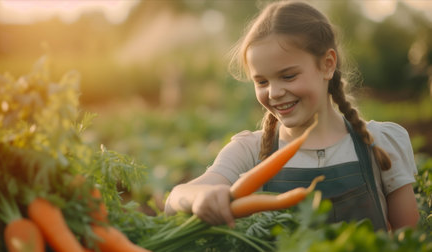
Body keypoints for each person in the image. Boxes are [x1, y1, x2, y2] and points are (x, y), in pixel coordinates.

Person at [164, 0, 419, 231]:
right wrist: (201, 197)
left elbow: (409, 241)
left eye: (288, 76)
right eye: (262, 81)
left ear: (328, 64)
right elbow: (175, 199)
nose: (274, 92)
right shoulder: (249, 151)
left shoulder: (379, 144)